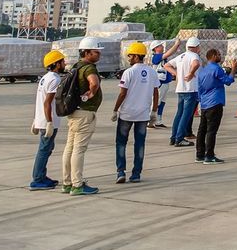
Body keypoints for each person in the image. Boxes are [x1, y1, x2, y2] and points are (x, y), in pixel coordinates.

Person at [111, 42, 159, 183]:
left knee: (121, 143)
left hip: (127, 113)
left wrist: (115, 110)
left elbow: (122, 93)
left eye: (130, 55)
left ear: (137, 56)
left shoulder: (129, 72)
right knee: (140, 144)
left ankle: (120, 172)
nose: (129, 58)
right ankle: (136, 174)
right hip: (143, 114)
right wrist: (154, 111)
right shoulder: (151, 72)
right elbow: (156, 93)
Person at [62, 37, 104, 196]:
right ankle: (77, 185)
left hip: (74, 113)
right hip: (85, 114)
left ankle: (67, 182)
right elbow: (94, 83)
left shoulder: (76, 67)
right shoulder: (89, 68)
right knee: (79, 150)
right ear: (86, 52)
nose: (98, 55)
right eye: (96, 52)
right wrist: (91, 93)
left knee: (70, 148)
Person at [29, 50, 66, 190]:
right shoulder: (55, 79)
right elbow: (47, 102)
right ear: (56, 64)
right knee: (44, 150)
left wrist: (36, 119)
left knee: (47, 149)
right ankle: (37, 179)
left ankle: (42, 176)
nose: (64, 63)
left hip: (42, 119)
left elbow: (40, 100)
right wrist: (49, 122)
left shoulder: (45, 78)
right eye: (62, 61)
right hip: (48, 121)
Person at [195, 48, 237, 164]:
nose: (221, 56)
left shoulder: (203, 70)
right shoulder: (216, 69)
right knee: (211, 131)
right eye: (219, 54)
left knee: (202, 130)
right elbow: (228, 81)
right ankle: (209, 155)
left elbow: (199, 88)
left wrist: (200, 101)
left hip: (204, 104)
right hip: (215, 102)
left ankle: (199, 154)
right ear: (213, 56)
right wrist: (234, 69)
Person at [164, 37, 202, 148]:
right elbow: (196, 64)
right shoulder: (194, 55)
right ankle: (179, 139)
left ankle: (173, 137)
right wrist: (191, 73)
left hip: (180, 88)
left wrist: (177, 74)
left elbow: (166, 65)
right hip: (190, 89)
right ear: (196, 47)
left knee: (179, 113)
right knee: (186, 115)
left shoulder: (180, 56)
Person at [149, 40, 179, 129]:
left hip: (165, 82)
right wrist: (176, 45)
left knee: (162, 102)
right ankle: (150, 120)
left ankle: (158, 120)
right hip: (160, 83)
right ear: (156, 48)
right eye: (160, 45)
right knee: (156, 102)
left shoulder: (162, 58)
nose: (162, 46)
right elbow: (169, 53)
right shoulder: (156, 57)